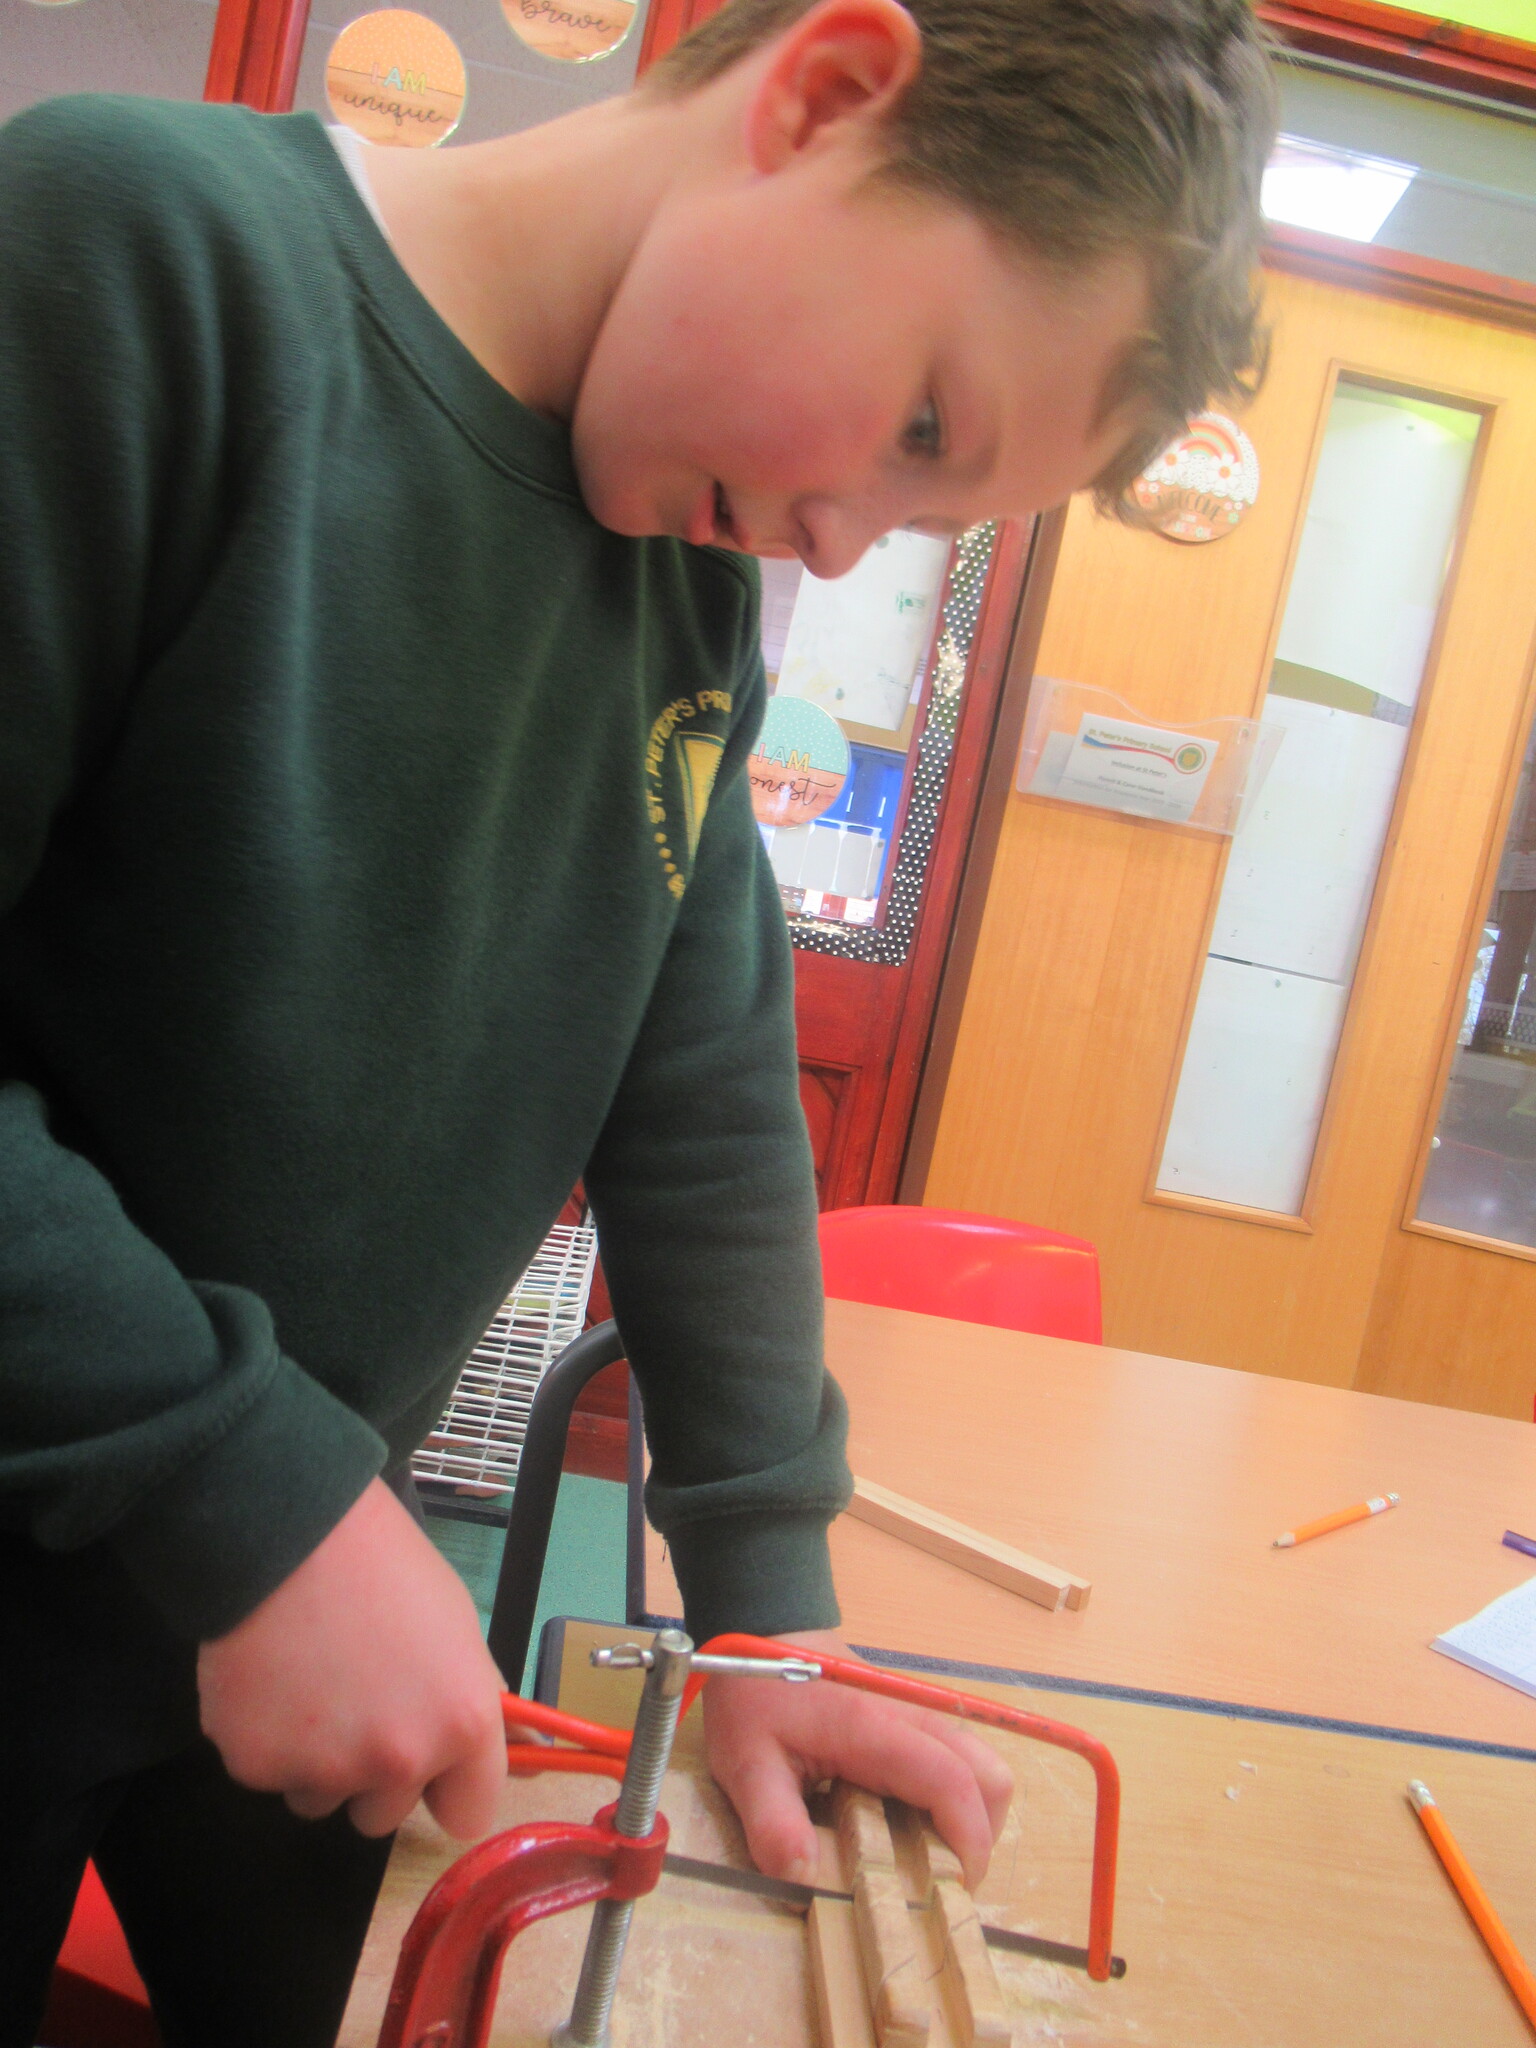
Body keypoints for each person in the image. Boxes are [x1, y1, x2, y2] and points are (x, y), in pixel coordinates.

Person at [0, 0, 1273, 2039]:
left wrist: (770, 1614)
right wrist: (241, 1492)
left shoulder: (682, 584)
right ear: (825, 97)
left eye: (927, 516)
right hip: (164, 1507)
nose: (848, 535)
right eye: (920, 423)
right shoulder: (139, 249)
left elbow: (703, 1097)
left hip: (279, 1595)